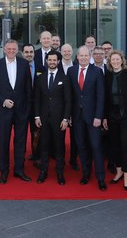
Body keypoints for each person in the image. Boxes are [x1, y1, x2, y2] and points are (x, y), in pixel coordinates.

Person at [0, 39, 33, 184]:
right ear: (4, 49)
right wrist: (3, 101)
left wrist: (28, 109)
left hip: (21, 111)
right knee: (3, 142)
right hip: (4, 110)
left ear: (17, 50)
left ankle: (19, 170)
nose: (11, 51)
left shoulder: (24, 64)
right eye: (9, 49)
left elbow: (28, 89)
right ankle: (4, 171)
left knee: (20, 141)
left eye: (14, 49)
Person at [69, 46, 107, 191]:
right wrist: (69, 116)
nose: (84, 58)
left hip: (93, 118)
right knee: (81, 146)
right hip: (77, 117)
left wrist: (98, 116)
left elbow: (100, 96)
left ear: (89, 56)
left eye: (86, 55)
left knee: (96, 146)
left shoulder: (97, 72)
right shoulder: (71, 71)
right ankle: (85, 174)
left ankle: (101, 178)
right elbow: (70, 96)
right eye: (81, 55)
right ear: (77, 57)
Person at [103, 50, 127, 190]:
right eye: (113, 59)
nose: (115, 61)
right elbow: (105, 99)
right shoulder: (108, 76)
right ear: (110, 61)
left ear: (122, 60)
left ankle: (126, 175)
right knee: (115, 145)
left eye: (118, 59)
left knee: (125, 145)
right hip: (112, 115)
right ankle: (118, 171)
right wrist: (105, 117)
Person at [34, 50, 71, 185]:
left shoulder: (64, 78)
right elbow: (36, 99)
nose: (52, 62)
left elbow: (68, 101)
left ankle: (60, 173)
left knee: (59, 147)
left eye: (54, 60)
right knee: (44, 146)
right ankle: (43, 172)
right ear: (46, 61)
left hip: (59, 119)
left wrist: (66, 118)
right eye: (50, 60)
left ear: (58, 61)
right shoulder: (40, 78)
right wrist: (37, 116)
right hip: (43, 119)